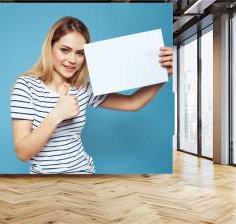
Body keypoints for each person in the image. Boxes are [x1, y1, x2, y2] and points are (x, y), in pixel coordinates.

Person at [10, 16, 173, 174]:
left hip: (83, 175)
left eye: (80, 53)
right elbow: (23, 153)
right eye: (65, 50)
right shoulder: (26, 86)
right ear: (50, 48)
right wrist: (56, 115)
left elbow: (132, 103)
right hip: (43, 182)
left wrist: (163, 74)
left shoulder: (83, 88)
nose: (72, 59)